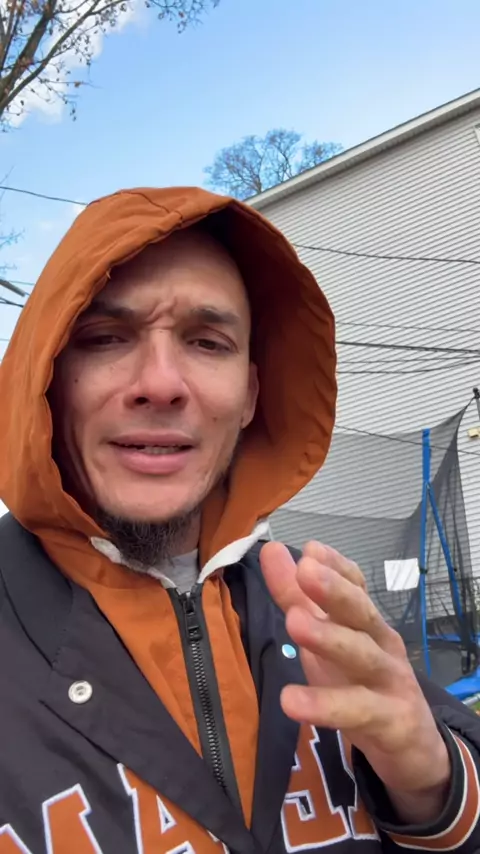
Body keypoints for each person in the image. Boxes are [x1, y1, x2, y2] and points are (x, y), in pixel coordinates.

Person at [0, 186, 478, 854]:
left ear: (251, 395)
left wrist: (433, 786)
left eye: (207, 341)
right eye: (105, 338)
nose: (161, 384)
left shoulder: (314, 606)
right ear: (46, 379)